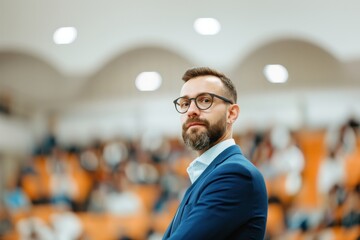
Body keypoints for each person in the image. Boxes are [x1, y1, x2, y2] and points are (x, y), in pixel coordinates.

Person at [163, 67, 268, 239]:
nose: (191, 111)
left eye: (205, 100)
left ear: (231, 114)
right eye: (185, 103)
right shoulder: (207, 174)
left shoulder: (236, 175)